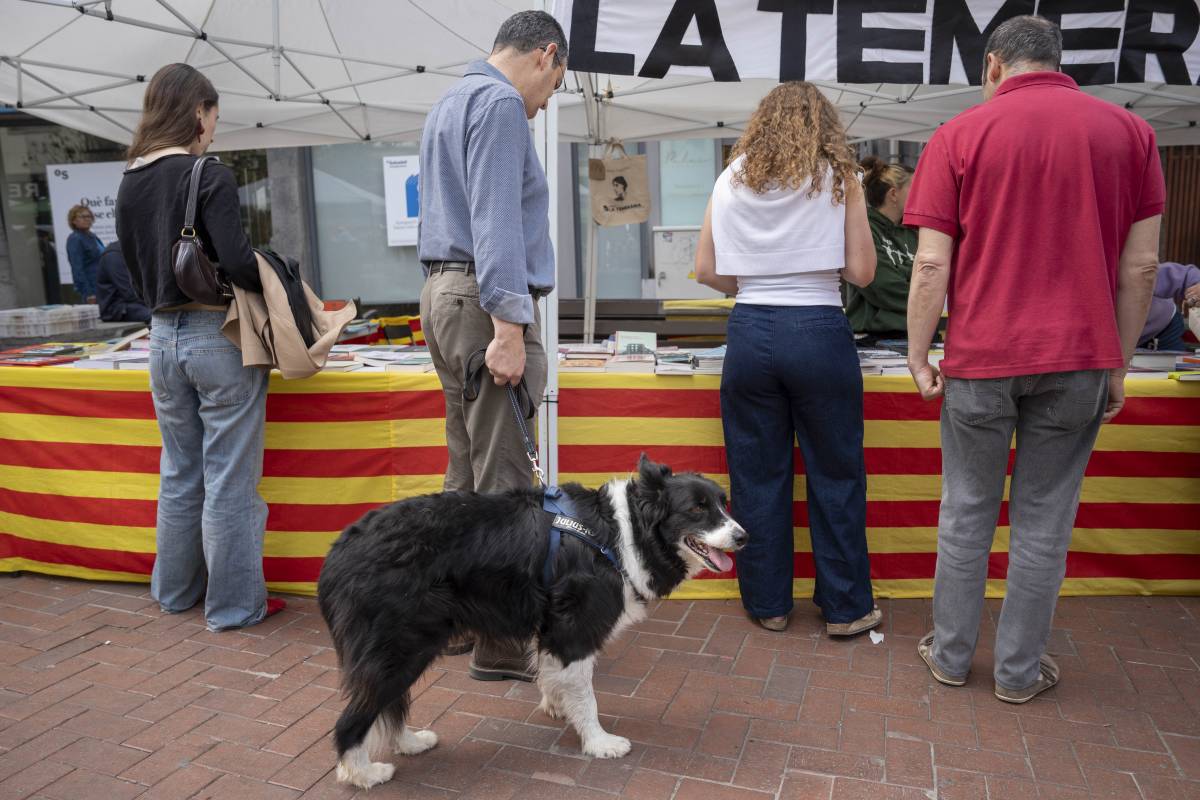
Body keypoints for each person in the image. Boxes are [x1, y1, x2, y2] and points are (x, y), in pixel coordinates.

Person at [904, 16, 1164, 703]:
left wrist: (918, 350)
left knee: (966, 512)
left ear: (993, 66)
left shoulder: (958, 135)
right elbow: (1141, 270)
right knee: (1046, 519)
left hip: (981, 357)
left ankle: (951, 657)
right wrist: (1119, 362)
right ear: (1059, 62)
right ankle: (1020, 674)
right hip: (1080, 356)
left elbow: (931, 263)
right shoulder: (1131, 134)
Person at [695, 82, 881, 638]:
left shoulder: (731, 178)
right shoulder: (838, 177)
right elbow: (864, 272)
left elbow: (705, 269)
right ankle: (846, 609)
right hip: (820, 327)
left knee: (756, 475)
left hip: (750, 328)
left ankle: (769, 604)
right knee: (836, 474)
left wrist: (755, 280)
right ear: (823, 124)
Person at [417, 10, 566, 681]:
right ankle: (502, 644)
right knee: (504, 484)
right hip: (484, 301)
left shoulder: (451, 99)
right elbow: (497, 221)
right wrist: (509, 325)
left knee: (464, 474)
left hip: (444, 294)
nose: (546, 103)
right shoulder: (502, 104)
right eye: (555, 85)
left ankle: (450, 616)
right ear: (546, 55)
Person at [116, 63, 285, 632]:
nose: (214, 126)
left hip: (160, 339)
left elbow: (137, 268)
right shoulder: (207, 174)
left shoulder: (130, 178)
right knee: (229, 479)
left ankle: (174, 593)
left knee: (180, 473)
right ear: (197, 112)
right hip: (216, 336)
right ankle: (235, 606)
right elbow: (236, 261)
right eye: (213, 115)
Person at [845, 156, 916, 339]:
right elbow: (882, 286)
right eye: (914, 188)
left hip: (917, 333)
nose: (921, 194)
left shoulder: (914, 231)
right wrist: (927, 294)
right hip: (875, 338)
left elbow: (934, 276)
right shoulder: (864, 229)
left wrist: (902, 272)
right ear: (893, 194)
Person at [1139, 262, 1199, 351]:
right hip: (1127, 340)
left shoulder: (1134, 271)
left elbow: (1185, 275)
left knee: (1175, 363)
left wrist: (1197, 284)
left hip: (1165, 328)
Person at [96, 240, 151, 324]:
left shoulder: (133, 250)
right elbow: (129, 292)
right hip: (117, 308)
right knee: (157, 316)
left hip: (133, 303)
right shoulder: (114, 255)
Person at [65, 204, 103, 303]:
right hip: (92, 289)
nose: (87, 219)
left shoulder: (92, 236)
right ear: (73, 221)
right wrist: (88, 293)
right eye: (82, 216)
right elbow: (77, 269)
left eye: (89, 216)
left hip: (103, 286)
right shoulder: (75, 239)